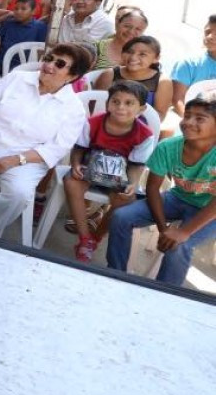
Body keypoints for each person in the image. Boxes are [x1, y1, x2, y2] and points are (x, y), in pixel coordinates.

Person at [0, 45, 91, 238]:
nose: (49, 65)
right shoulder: (17, 78)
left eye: (60, 64)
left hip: (27, 158)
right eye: (49, 58)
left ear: (72, 76)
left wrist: (14, 160)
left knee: (19, 194)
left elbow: (57, 148)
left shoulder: (73, 109)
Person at [107, 91, 216, 285]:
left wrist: (183, 232)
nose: (189, 122)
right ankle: (116, 276)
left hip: (209, 210)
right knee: (121, 217)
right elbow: (152, 188)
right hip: (178, 197)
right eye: (187, 115)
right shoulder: (168, 147)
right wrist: (163, 228)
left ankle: (164, 294)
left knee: (179, 246)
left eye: (200, 118)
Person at [64, 80, 156, 262]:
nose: (121, 107)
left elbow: (137, 165)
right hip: (90, 168)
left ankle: (96, 238)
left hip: (119, 174)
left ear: (141, 109)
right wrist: (75, 164)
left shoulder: (145, 135)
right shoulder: (93, 122)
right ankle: (84, 238)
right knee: (71, 182)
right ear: (108, 104)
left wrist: (132, 183)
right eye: (115, 101)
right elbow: (79, 148)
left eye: (129, 103)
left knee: (125, 199)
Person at [93, 35, 172, 122]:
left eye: (142, 54)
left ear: (156, 58)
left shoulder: (162, 81)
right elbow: (96, 106)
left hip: (142, 127)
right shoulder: (109, 74)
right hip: (108, 124)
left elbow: (159, 116)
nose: (133, 57)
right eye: (129, 52)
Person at [170, 14, 216, 119]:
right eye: (207, 32)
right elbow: (178, 100)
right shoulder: (188, 63)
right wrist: (192, 121)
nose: (210, 37)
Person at [0, 0, 47, 72]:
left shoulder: (40, 27)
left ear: (33, 11)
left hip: (23, 66)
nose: (18, 12)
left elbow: (40, 51)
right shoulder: (8, 23)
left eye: (23, 9)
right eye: (16, 9)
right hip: (0, 62)